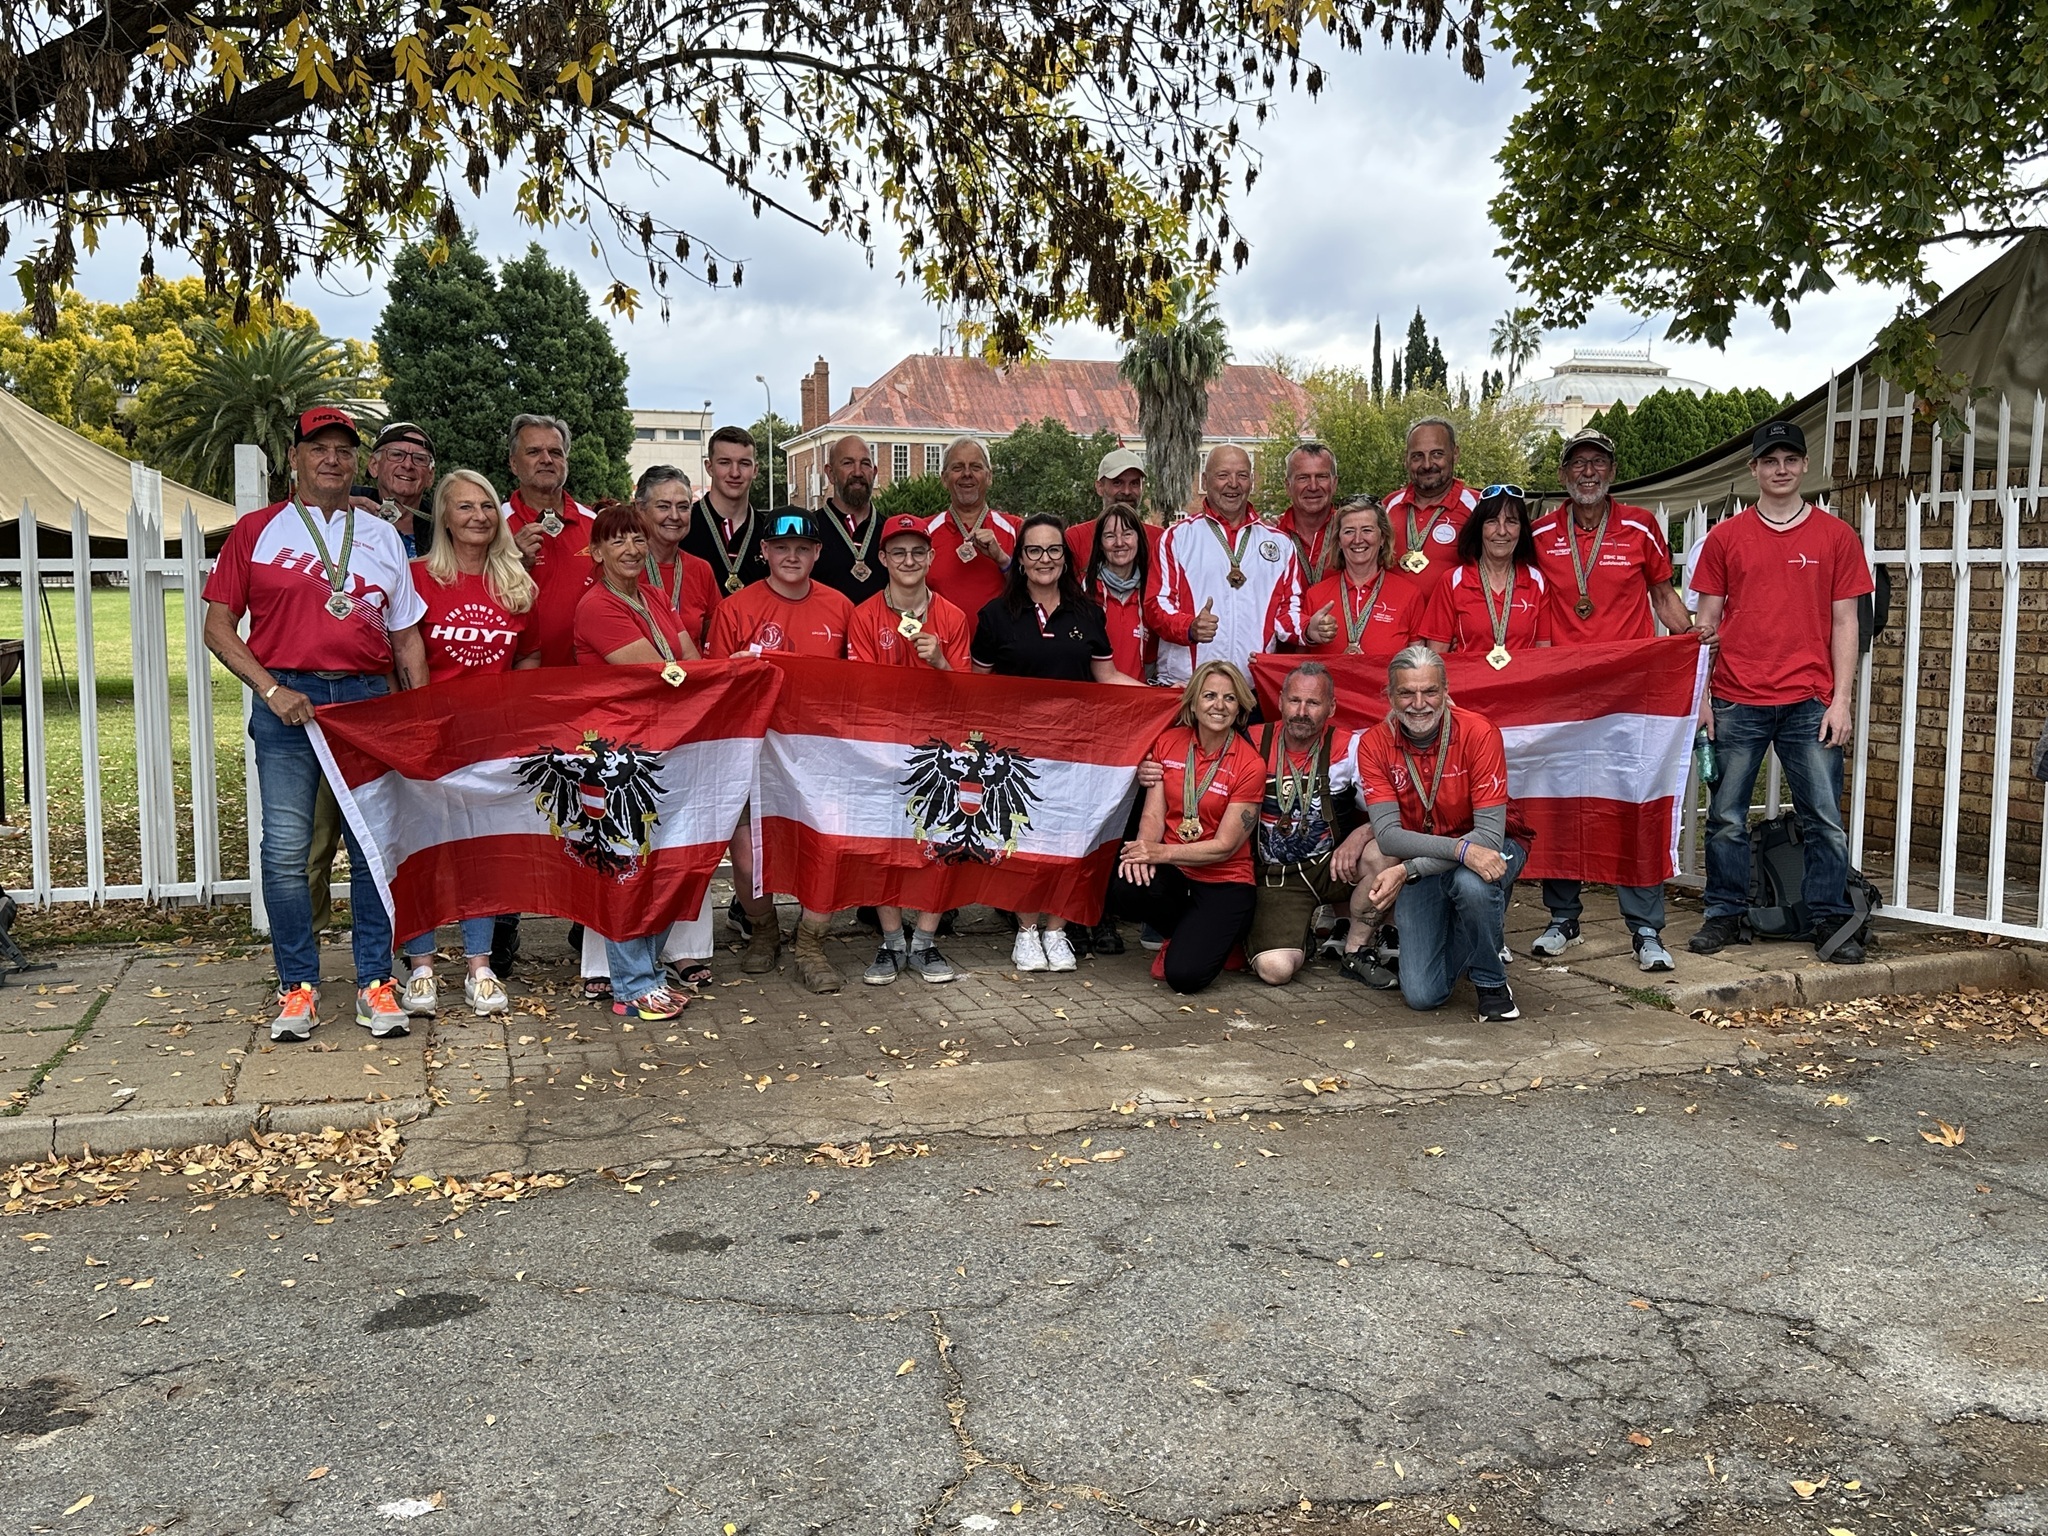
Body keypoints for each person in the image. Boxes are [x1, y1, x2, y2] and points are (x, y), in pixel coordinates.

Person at [200, 406, 429, 1044]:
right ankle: (297, 985)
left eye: (343, 450)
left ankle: (374, 981)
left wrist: (420, 716)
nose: (332, 459)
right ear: (294, 458)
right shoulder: (256, 530)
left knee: (373, 849)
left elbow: (406, 638)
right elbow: (218, 626)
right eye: (319, 448)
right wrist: (271, 690)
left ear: (357, 462)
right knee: (285, 850)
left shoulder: (382, 535)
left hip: (365, 702)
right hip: (287, 700)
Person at [1687, 420, 1874, 965]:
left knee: (1824, 820)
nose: (1781, 469)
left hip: (1810, 701)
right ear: (1754, 469)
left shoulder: (1836, 536)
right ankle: (1724, 913)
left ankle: (1828, 918)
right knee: (1725, 816)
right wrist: (1702, 700)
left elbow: (1847, 623)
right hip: (1736, 696)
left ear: (1805, 466)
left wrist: (1842, 700)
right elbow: (1705, 626)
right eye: (1770, 460)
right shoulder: (1725, 538)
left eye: (1791, 459)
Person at [1527, 428, 1702, 974]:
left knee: (1634, 801)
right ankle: (1563, 918)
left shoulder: (1641, 526)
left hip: (1627, 695)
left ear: (1612, 471)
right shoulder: (1538, 533)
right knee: (1559, 802)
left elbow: (1663, 597)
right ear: (1563, 474)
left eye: (1597, 462)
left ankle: (1646, 929)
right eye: (1577, 463)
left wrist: (1691, 641)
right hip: (1561, 693)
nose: (1588, 472)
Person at [972, 513, 1144, 971]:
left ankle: (1056, 929)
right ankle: (1027, 931)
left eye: (1054, 550)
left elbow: (1107, 676)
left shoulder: (1088, 613)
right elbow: (978, 688)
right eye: (1034, 550)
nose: (1044, 559)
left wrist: (1164, 699)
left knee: (1069, 840)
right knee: (1026, 842)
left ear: (1066, 559)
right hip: (1017, 756)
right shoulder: (994, 617)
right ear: (1020, 559)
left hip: (1074, 751)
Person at [397, 469, 539, 1019]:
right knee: (425, 853)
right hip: (426, 737)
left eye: (486, 506)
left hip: (489, 743)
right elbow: (396, 654)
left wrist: (515, 710)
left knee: (479, 854)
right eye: (464, 507)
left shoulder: (516, 583)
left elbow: (529, 655)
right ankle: (422, 968)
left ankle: (480, 967)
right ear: (444, 516)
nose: (478, 516)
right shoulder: (416, 578)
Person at [706, 509, 854, 992]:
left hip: (818, 752)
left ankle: (810, 943)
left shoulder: (841, 607)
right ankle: (764, 932)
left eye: (803, 548)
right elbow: (712, 686)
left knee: (826, 847)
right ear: (764, 551)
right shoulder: (735, 608)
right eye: (782, 548)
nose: (792, 556)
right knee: (747, 857)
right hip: (752, 751)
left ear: (817, 553)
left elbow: (857, 684)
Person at [562, 503, 701, 1022]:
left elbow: (692, 661)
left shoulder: (654, 595)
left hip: (662, 744)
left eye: (638, 539)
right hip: (617, 753)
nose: (631, 549)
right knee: (628, 866)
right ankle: (632, 983)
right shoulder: (597, 606)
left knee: (661, 863)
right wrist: (699, 674)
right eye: (617, 540)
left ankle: (647, 974)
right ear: (596, 552)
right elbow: (657, 672)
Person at [307, 419, 441, 932]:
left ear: (431, 475)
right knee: (315, 834)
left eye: (419, 459)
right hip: (345, 696)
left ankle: (401, 940)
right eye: (397, 455)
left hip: (417, 697)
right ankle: (306, 948)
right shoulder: (340, 513)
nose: (408, 465)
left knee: (401, 832)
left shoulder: (442, 528)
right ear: (374, 464)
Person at [1351, 644, 1527, 1020]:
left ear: (1446, 691)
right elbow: (1389, 837)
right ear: (1389, 695)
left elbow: (1489, 838)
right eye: (1406, 693)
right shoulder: (1373, 743)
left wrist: (1407, 870)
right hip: (1434, 856)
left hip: (1497, 845)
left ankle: (1491, 983)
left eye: (1430, 691)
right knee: (1423, 995)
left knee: (1472, 883)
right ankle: (1483, 926)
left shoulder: (1479, 732)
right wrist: (1459, 852)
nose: (1419, 704)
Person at [846, 514, 968, 986]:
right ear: (882, 558)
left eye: (918, 552)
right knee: (885, 845)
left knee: (939, 843)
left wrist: (941, 662)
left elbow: (968, 695)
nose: (909, 560)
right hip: (883, 748)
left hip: (938, 750)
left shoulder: (953, 617)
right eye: (898, 552)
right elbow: (861, 690)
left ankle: (926, 941)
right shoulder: (864, 616)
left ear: (932, 557)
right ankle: (892, 941)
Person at [1108, 661, 1265, 993]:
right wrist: (1143, 852)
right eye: (1209, 696)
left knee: (1184, 978)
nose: (1219, 705)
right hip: (1177, 874)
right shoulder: (1168, 742)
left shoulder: (1250, 763)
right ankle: (1182, 935)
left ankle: (1224, 940)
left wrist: (1158, 853)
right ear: (1193, 703)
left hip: (1225, 880)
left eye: (1229, 698)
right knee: (1126, 884)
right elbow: (1153, 816)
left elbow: (1225, 846)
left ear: (1239, 708)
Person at [1246, 662, 1400, 988]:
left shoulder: (1351, 747)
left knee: (1384, 849)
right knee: (1276, 970)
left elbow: (1390, 808)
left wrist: (1361, 834)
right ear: (1280, 700)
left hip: (1332, 867)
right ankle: (1296, 933)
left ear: (1331, 707)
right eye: (1294, 701)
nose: (1301, 712)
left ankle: (1356, 952)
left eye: (1313, 703)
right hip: (1277, 877)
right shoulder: (1251, 740)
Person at [1146, 444, 1302, 685]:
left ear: (1251, 481)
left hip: (1251, 686)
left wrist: (1307, 630)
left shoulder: (1279, 544)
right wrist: (1189, 627)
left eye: (1242, 475)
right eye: (1223, 475)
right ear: (1205, 480)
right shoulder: (1177, 538)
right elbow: (1156, 605)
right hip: (1188, 685)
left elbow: (1286, 612)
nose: (1233, 483)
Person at [1416, 486, 1553, 665]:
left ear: (1522, 529)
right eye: (1492, 521)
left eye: (1511, 521)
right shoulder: (1453, 581)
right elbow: (1437, 659)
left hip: (1523, 682)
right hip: (1466, 682)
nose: (1502, 531)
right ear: (1479, 527)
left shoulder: (1537, 581)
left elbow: (1543, 654)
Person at [504, 414, 597, 667]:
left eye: (556, 452)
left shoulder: (596, 525)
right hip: (519, 676)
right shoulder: (493, 525)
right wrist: (511, 564)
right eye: (534, 452)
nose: (546, 459)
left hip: (588, 676)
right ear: (514, 464)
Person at [1297, 496, 1427, 665]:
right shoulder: (1315, 595)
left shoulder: (1409, 594)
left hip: (1385, 682)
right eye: (1349, 531)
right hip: (1331, 682)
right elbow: (1300, 664)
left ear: (1382, 538)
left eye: (1367, 530)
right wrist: (1309, 633)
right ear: (1339, 541)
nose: (1358, 539)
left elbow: (1418, 664)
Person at [923, 437, 1020, 620]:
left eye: (975, 467)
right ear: (944, 478)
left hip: (1000, 638)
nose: (967, 474)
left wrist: (1002, 559)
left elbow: (1034, 591)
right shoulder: (924, 532)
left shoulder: (1016, 529)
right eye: (957, 467)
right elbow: (905, 595)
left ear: (989, 477)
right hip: (939, 638)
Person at [1382, 417, 1480, 594]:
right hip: (1393, 611)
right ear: (1406, 459)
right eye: (1417, 456)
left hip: (1451, 612)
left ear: (1455, 454)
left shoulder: (1478, 507)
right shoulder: (1389, 505)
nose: (1427, 465)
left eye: (1437, 454)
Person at [634, 465, 721, 650]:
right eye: (663, 506)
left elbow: (713, 640)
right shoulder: (623, 568)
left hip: (693, 668)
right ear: (640, 509)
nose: (674, 516)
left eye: (683, 507)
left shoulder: (701, 570)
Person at [683, 426, 771, 594]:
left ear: (755, 470)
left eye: (744, 464)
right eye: (725, 463)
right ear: (709, 467)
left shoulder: (770, 531)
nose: (734, 473)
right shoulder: (684, 525)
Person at [1080, 504, 1156, 684]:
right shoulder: (1082, 591)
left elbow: (1153, 661)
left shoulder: (1152, 595)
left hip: (1137, 697)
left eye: (1127, 534)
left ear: (1139, 539)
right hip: (1092, 698)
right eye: (1110, 536)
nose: (1119, 543)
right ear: (1100, 544)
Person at [812, 434, 888, 605]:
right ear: (830, 473)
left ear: (874, 472)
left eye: (865, 464)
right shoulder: (810, 531)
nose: (858, 472)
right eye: (848, 463)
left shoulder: (890, 533)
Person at [1065, 446, 1163, 569]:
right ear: (1099, 487)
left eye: (1134, 483)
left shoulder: (1160, 539)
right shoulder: (1075, 538)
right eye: (1117, 483)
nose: (1127, 491)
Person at [1273, 441, 1340, 582]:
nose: (1313, 486)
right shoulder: (1272, 534)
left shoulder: (1351, 534)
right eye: (1303, 478)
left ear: (1334, 484)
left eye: (1321, 477)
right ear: (1288, 486)